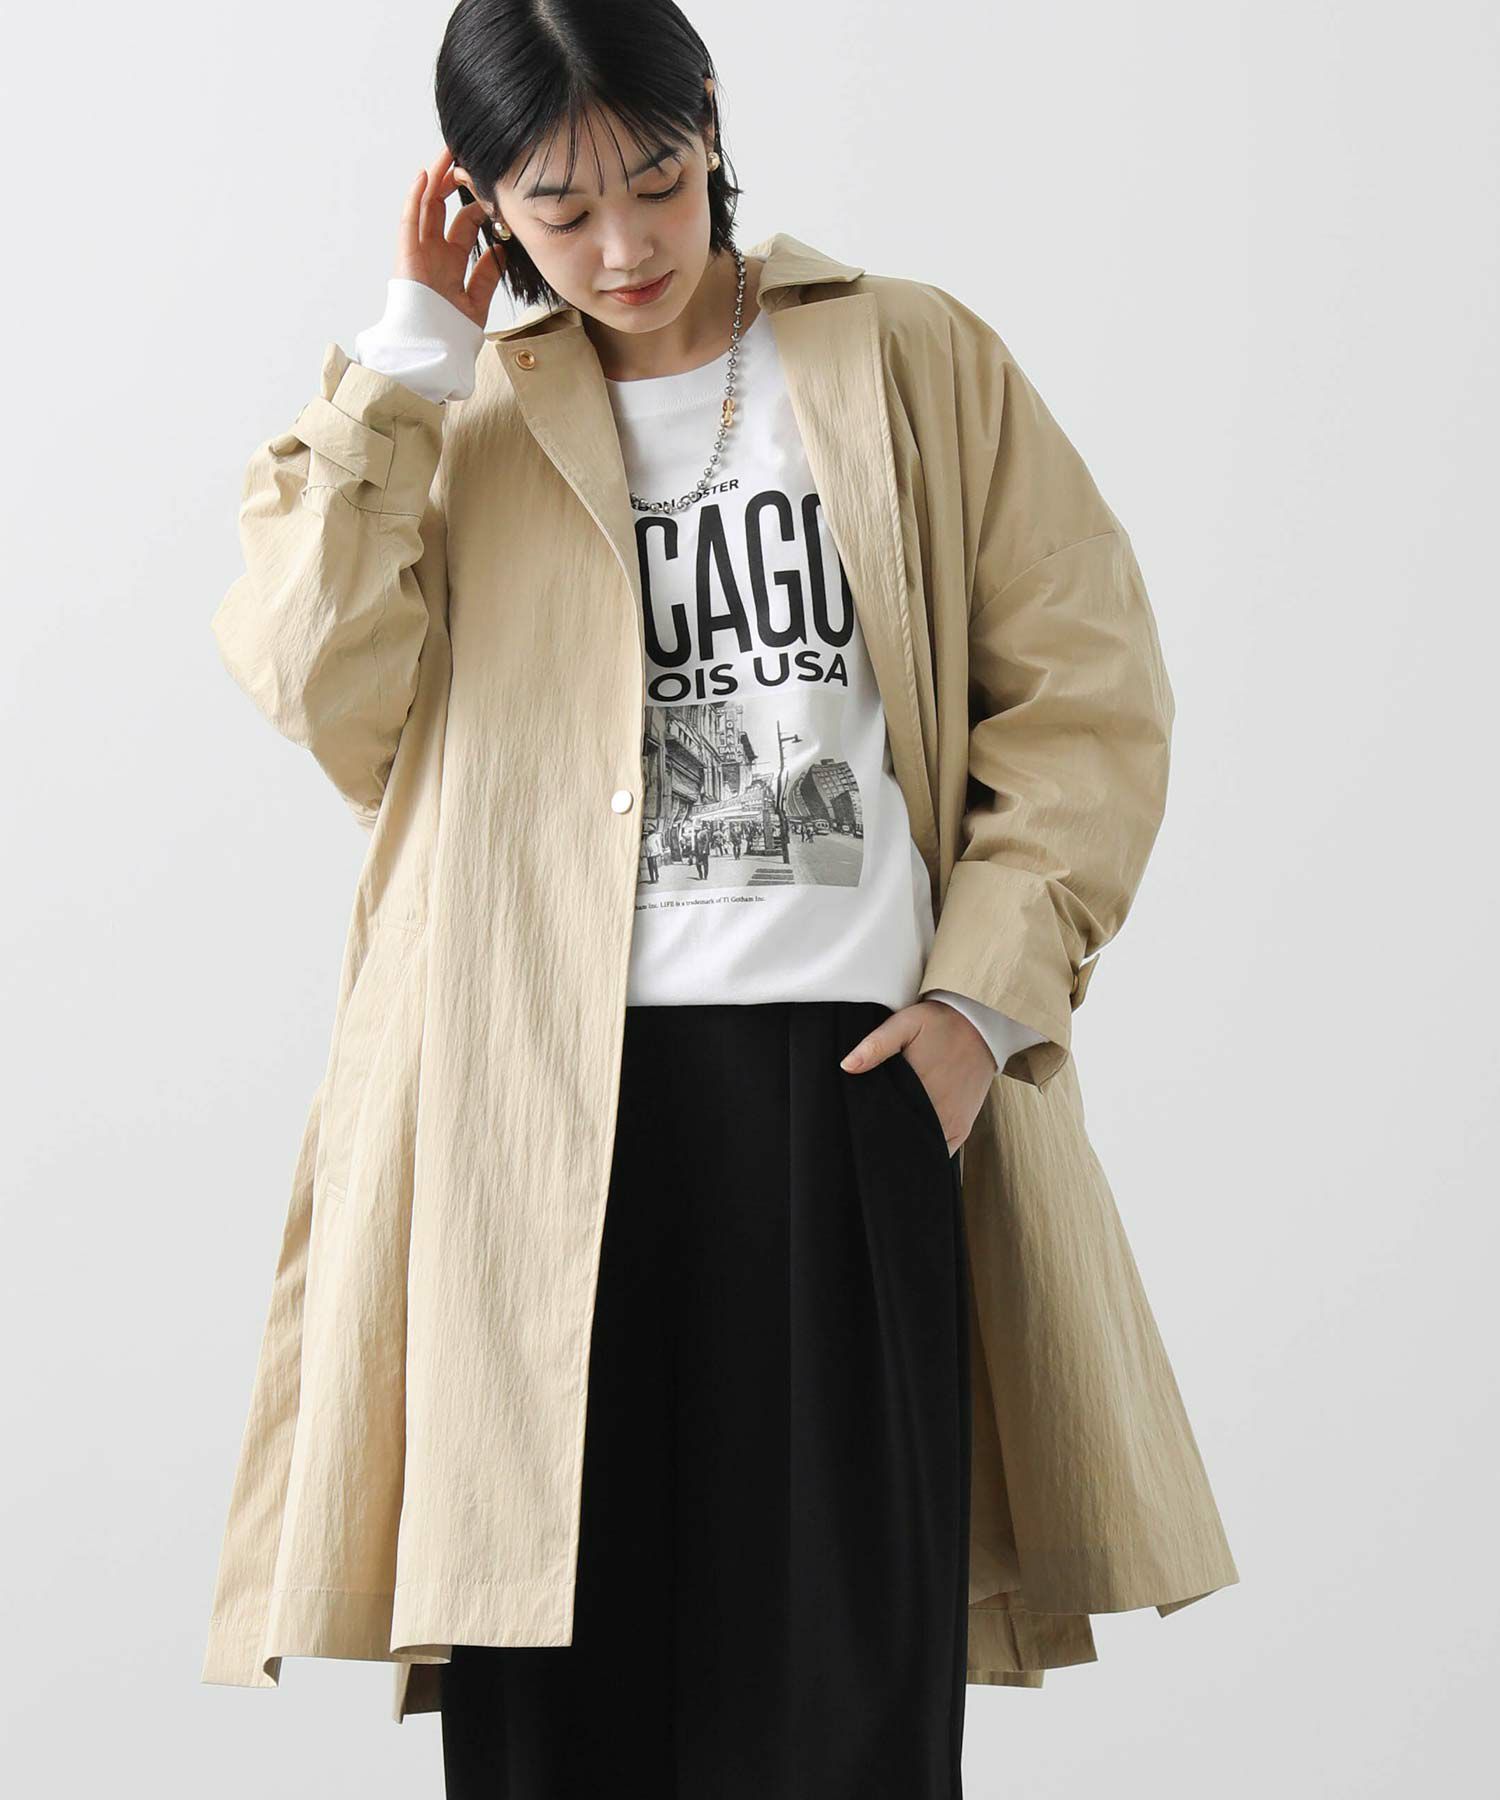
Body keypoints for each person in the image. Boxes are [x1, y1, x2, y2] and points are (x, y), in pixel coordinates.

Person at [201, 0, 1239, 1791]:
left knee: (844, 1713)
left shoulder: (905, 357)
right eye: (558, 209)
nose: (621, 246)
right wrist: (407, 355)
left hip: (845, 1095)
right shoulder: (457, 428)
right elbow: (315, 684)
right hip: (531, 1118)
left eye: (658, 184)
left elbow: (1089, 700)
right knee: (558, 1718)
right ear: (481, 205)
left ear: (708, 125)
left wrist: (977, 1011)